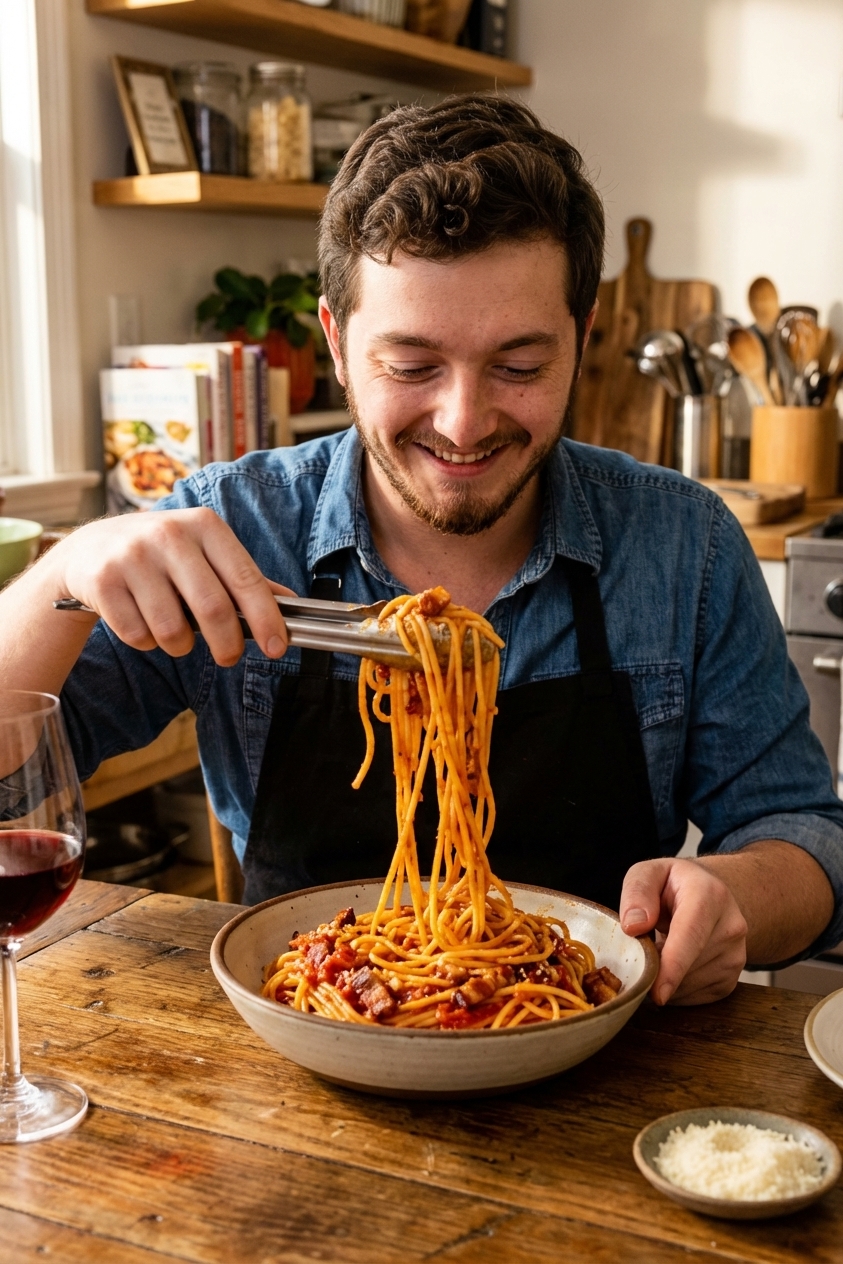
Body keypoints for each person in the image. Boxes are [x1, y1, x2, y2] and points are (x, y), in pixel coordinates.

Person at [3, 95, 841, 1008]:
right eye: (410, 366)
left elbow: (804, 834)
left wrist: (734, 900)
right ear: (336, 342)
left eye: (519, 366)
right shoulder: (235, 528)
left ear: (581, 338)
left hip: (599, 1053)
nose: (463, 421)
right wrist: (65, 573)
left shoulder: (686, 545)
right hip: (303, 1040)